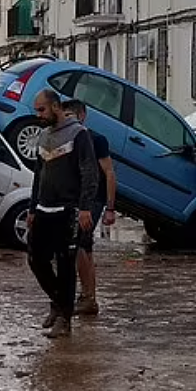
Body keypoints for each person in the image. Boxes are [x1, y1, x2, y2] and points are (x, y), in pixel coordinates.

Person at [27, 89, 98, 338]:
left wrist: (85, 208)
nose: (38, 115)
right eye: (37, 110)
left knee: (67, 264)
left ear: (56, 107)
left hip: (68, 210)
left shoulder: (79, 135)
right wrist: (32, 208)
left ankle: (64, 320)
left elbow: (90, 173)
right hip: (44, 209)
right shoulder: (44, 136)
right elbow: (38, 175)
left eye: (41, 110)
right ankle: (58, 302)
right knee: (36, 259)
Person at [62, 99, 117, 316]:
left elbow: (110, 173)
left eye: (71, 117)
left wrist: (110, 208)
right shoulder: (66, 139)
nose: (67, 121)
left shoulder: (96, 140)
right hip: (74, 200)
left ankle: (87, 297)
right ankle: (89, 298)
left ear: (82, 116)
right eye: (64, 116)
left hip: (93, 200)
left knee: (79, 245)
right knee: (85, 248)